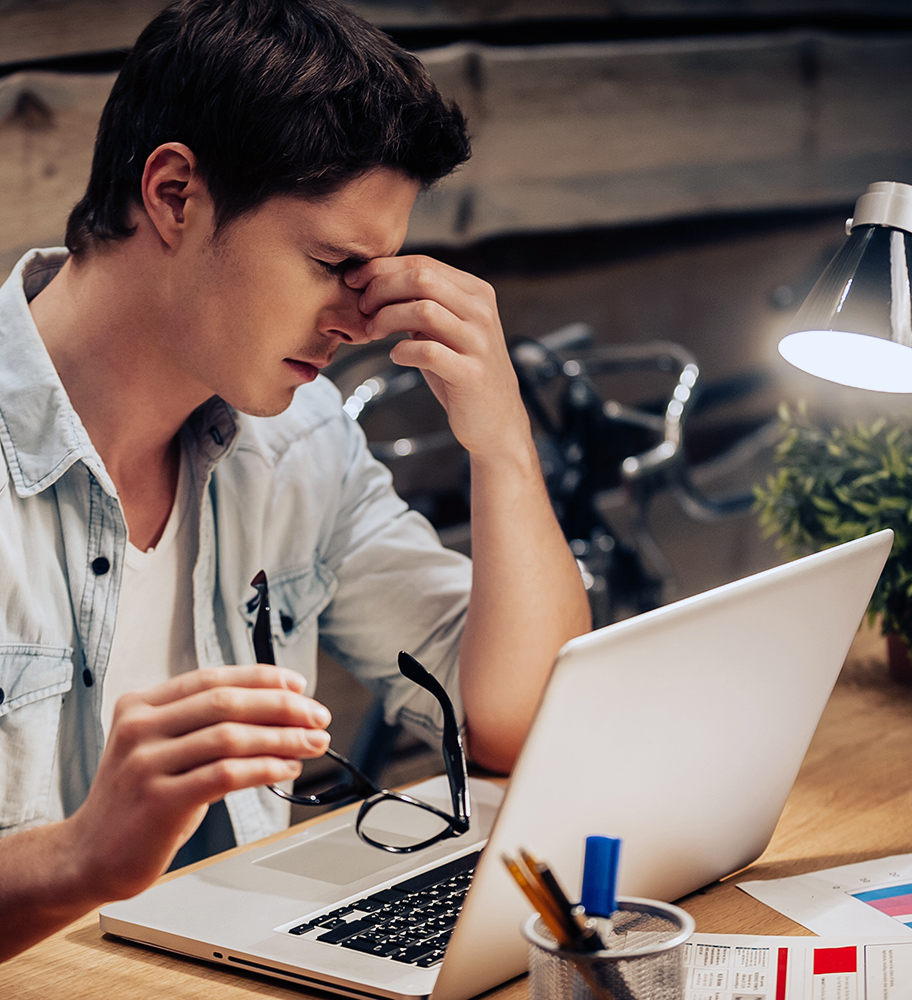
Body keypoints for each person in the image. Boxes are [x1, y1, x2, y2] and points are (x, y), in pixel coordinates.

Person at [0, 0, 590, 962]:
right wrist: (81, 857)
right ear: (176, 194)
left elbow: (523, 729)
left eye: (374, 273)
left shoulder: (300, 441)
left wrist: (505, 451)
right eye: (331, 263)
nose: (359, 321)